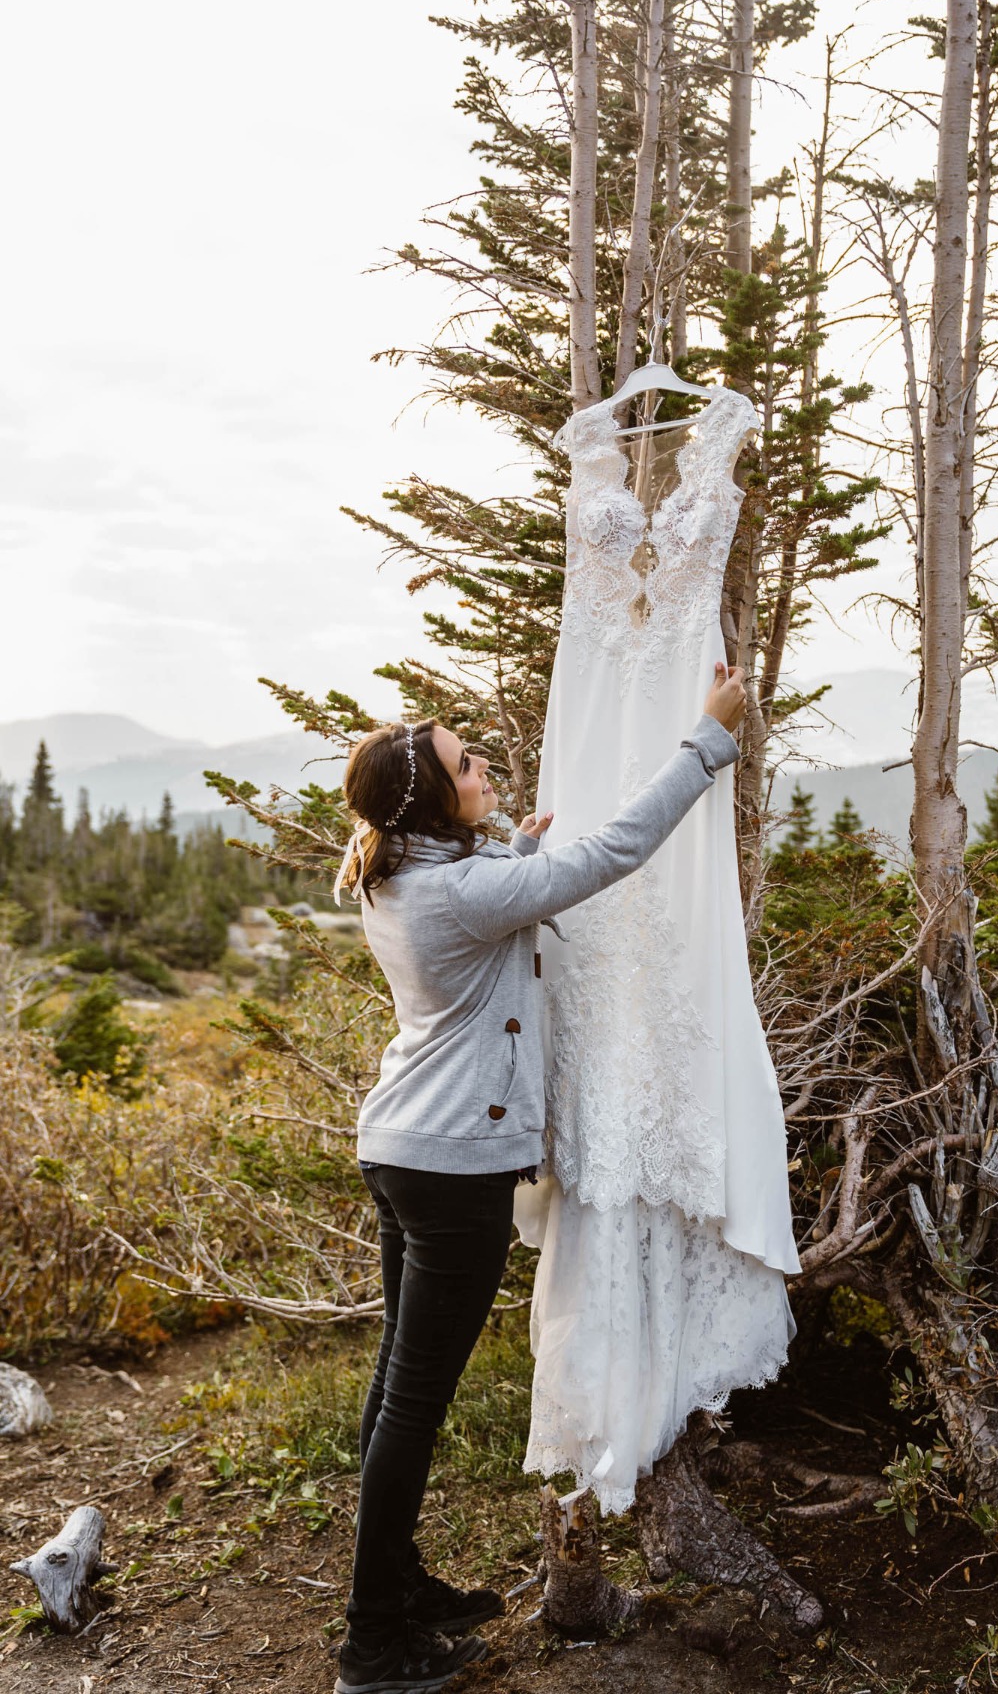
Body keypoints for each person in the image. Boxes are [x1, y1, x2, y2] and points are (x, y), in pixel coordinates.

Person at [329, 659, 747, 1694]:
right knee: (414, 1402)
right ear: (434, 798)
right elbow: (613, 852)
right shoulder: (457, 889)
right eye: (467, 764)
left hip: (403, 1151)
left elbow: (476, 905)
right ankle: (372, 1644)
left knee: (397, 1391)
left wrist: (507, 848)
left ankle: (397, 1583)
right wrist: (708, 739)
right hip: (448, 1168)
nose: (483, 766)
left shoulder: (403, 871)